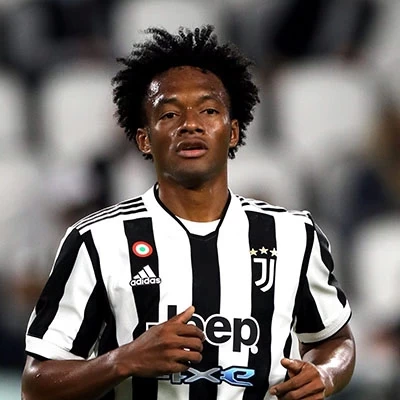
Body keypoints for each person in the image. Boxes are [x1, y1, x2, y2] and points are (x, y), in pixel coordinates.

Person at [21, 25, 355, 400]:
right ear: (144, 139)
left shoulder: (293, 236)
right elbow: (36, 384)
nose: (190, 124)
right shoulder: (97, 241)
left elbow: (335, 339)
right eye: (169, 114)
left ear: (233, 132)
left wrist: (325, 374)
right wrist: (123, 360)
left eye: (208, 110)